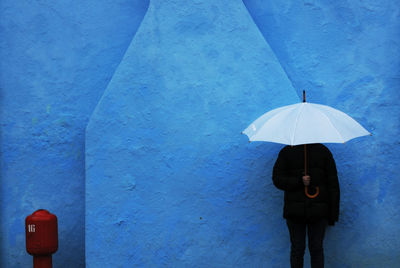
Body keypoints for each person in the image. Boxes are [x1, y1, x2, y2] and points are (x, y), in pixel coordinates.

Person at [272, 143, 340, 268]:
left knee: (316, 249)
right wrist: (299, 181)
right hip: (295, 212)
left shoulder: (323, 152)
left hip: (319, 212)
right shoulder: (287, 152)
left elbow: (333, 184)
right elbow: (277, 179)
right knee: (298, 249)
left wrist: (332, 215)